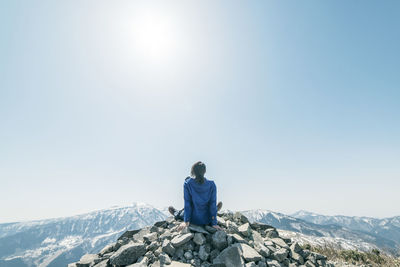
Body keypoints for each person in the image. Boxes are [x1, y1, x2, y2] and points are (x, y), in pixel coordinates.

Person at [168, 161, 223, 231]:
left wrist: (186, 221)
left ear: (193, 171)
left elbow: (187, 203)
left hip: (193, 219)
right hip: (206, 219)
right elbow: (212, 202)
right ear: (205, 171)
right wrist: (214, 223)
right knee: (212, 206)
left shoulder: (187, 183)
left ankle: (176, 213)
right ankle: (214, 211)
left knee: (182, 212)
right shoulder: (212, 185)